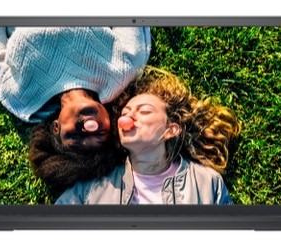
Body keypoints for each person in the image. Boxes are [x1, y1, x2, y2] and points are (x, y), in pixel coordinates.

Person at [0, 27, 151, 191]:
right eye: (99, 134)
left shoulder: (19, 96)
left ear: (56, 128)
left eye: (75, 136)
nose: (88, 127)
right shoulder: (124, 69)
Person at [56, 66, 241, 205]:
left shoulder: (207, 183)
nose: (127, 118)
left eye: (144, 111)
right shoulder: (93, 187)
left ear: (171, 130)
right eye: (125, 113)